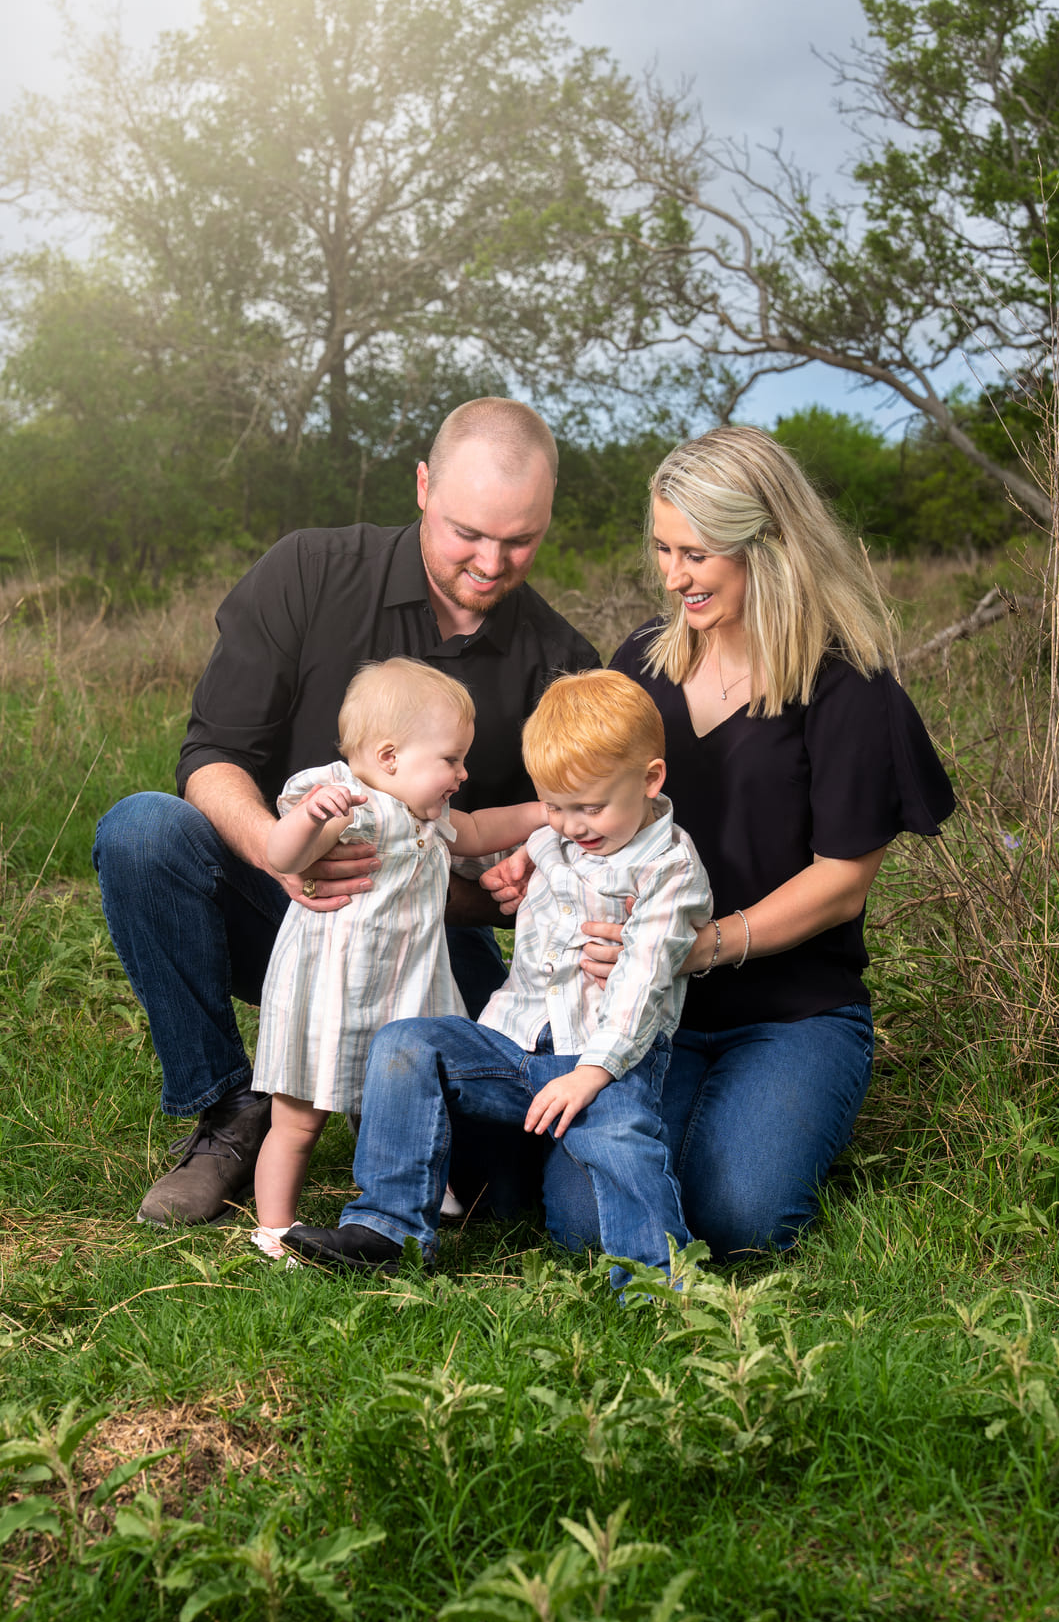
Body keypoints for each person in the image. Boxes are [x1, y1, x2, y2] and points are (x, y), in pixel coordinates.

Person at [92, 398, 599, 1226]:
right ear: (423, 486)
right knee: (143, 832)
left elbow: (570, 838)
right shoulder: (309, 571)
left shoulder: (560, 661)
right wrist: (277, 850)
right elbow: (211, 755)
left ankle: (399, 1133)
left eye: (519, 540)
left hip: (428, 941)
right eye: (467, 532)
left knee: (502, 1192)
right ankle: (230, 1112)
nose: (490, 561)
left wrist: (528, 874)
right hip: (280, 911)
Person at [485, 424, 956, 1262]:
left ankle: (781, 1115)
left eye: (696, 555)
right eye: (663, 550)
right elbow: (591, 798)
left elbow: (841, 884)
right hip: (636, 1011)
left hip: (790, 1010)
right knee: (590, 1226)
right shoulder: (641, 661)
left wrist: (695, 947)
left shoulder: (848, 685)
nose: (673, 576)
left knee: (741, 1220)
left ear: (767, 545)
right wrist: (546, 848)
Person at [282, 669, 712, 1286]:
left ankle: (658, 1282)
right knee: (406, 1043)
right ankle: (387, 1227)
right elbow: (473, 839)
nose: (572, 826)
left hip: (605, 1056)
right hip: (513, 1045)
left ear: (651, 780)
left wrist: (592, 1072)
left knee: (620, 1139)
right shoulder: (557, 838)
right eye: (556, 807)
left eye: (589, 808)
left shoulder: (670, 867)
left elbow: (644, 979)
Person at [249, 659, 546, 1257]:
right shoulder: (347, 803)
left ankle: (408, 1189)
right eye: (452, 759)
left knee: (395, 1105)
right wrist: (311, 817)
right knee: (298, 1119)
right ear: (390, 757)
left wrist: (545, 813)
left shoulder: (428, 816)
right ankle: (274, 1227)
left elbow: (480, 830)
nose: (463, 773)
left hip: (404, 988)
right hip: (330, 992)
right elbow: (283, 854)